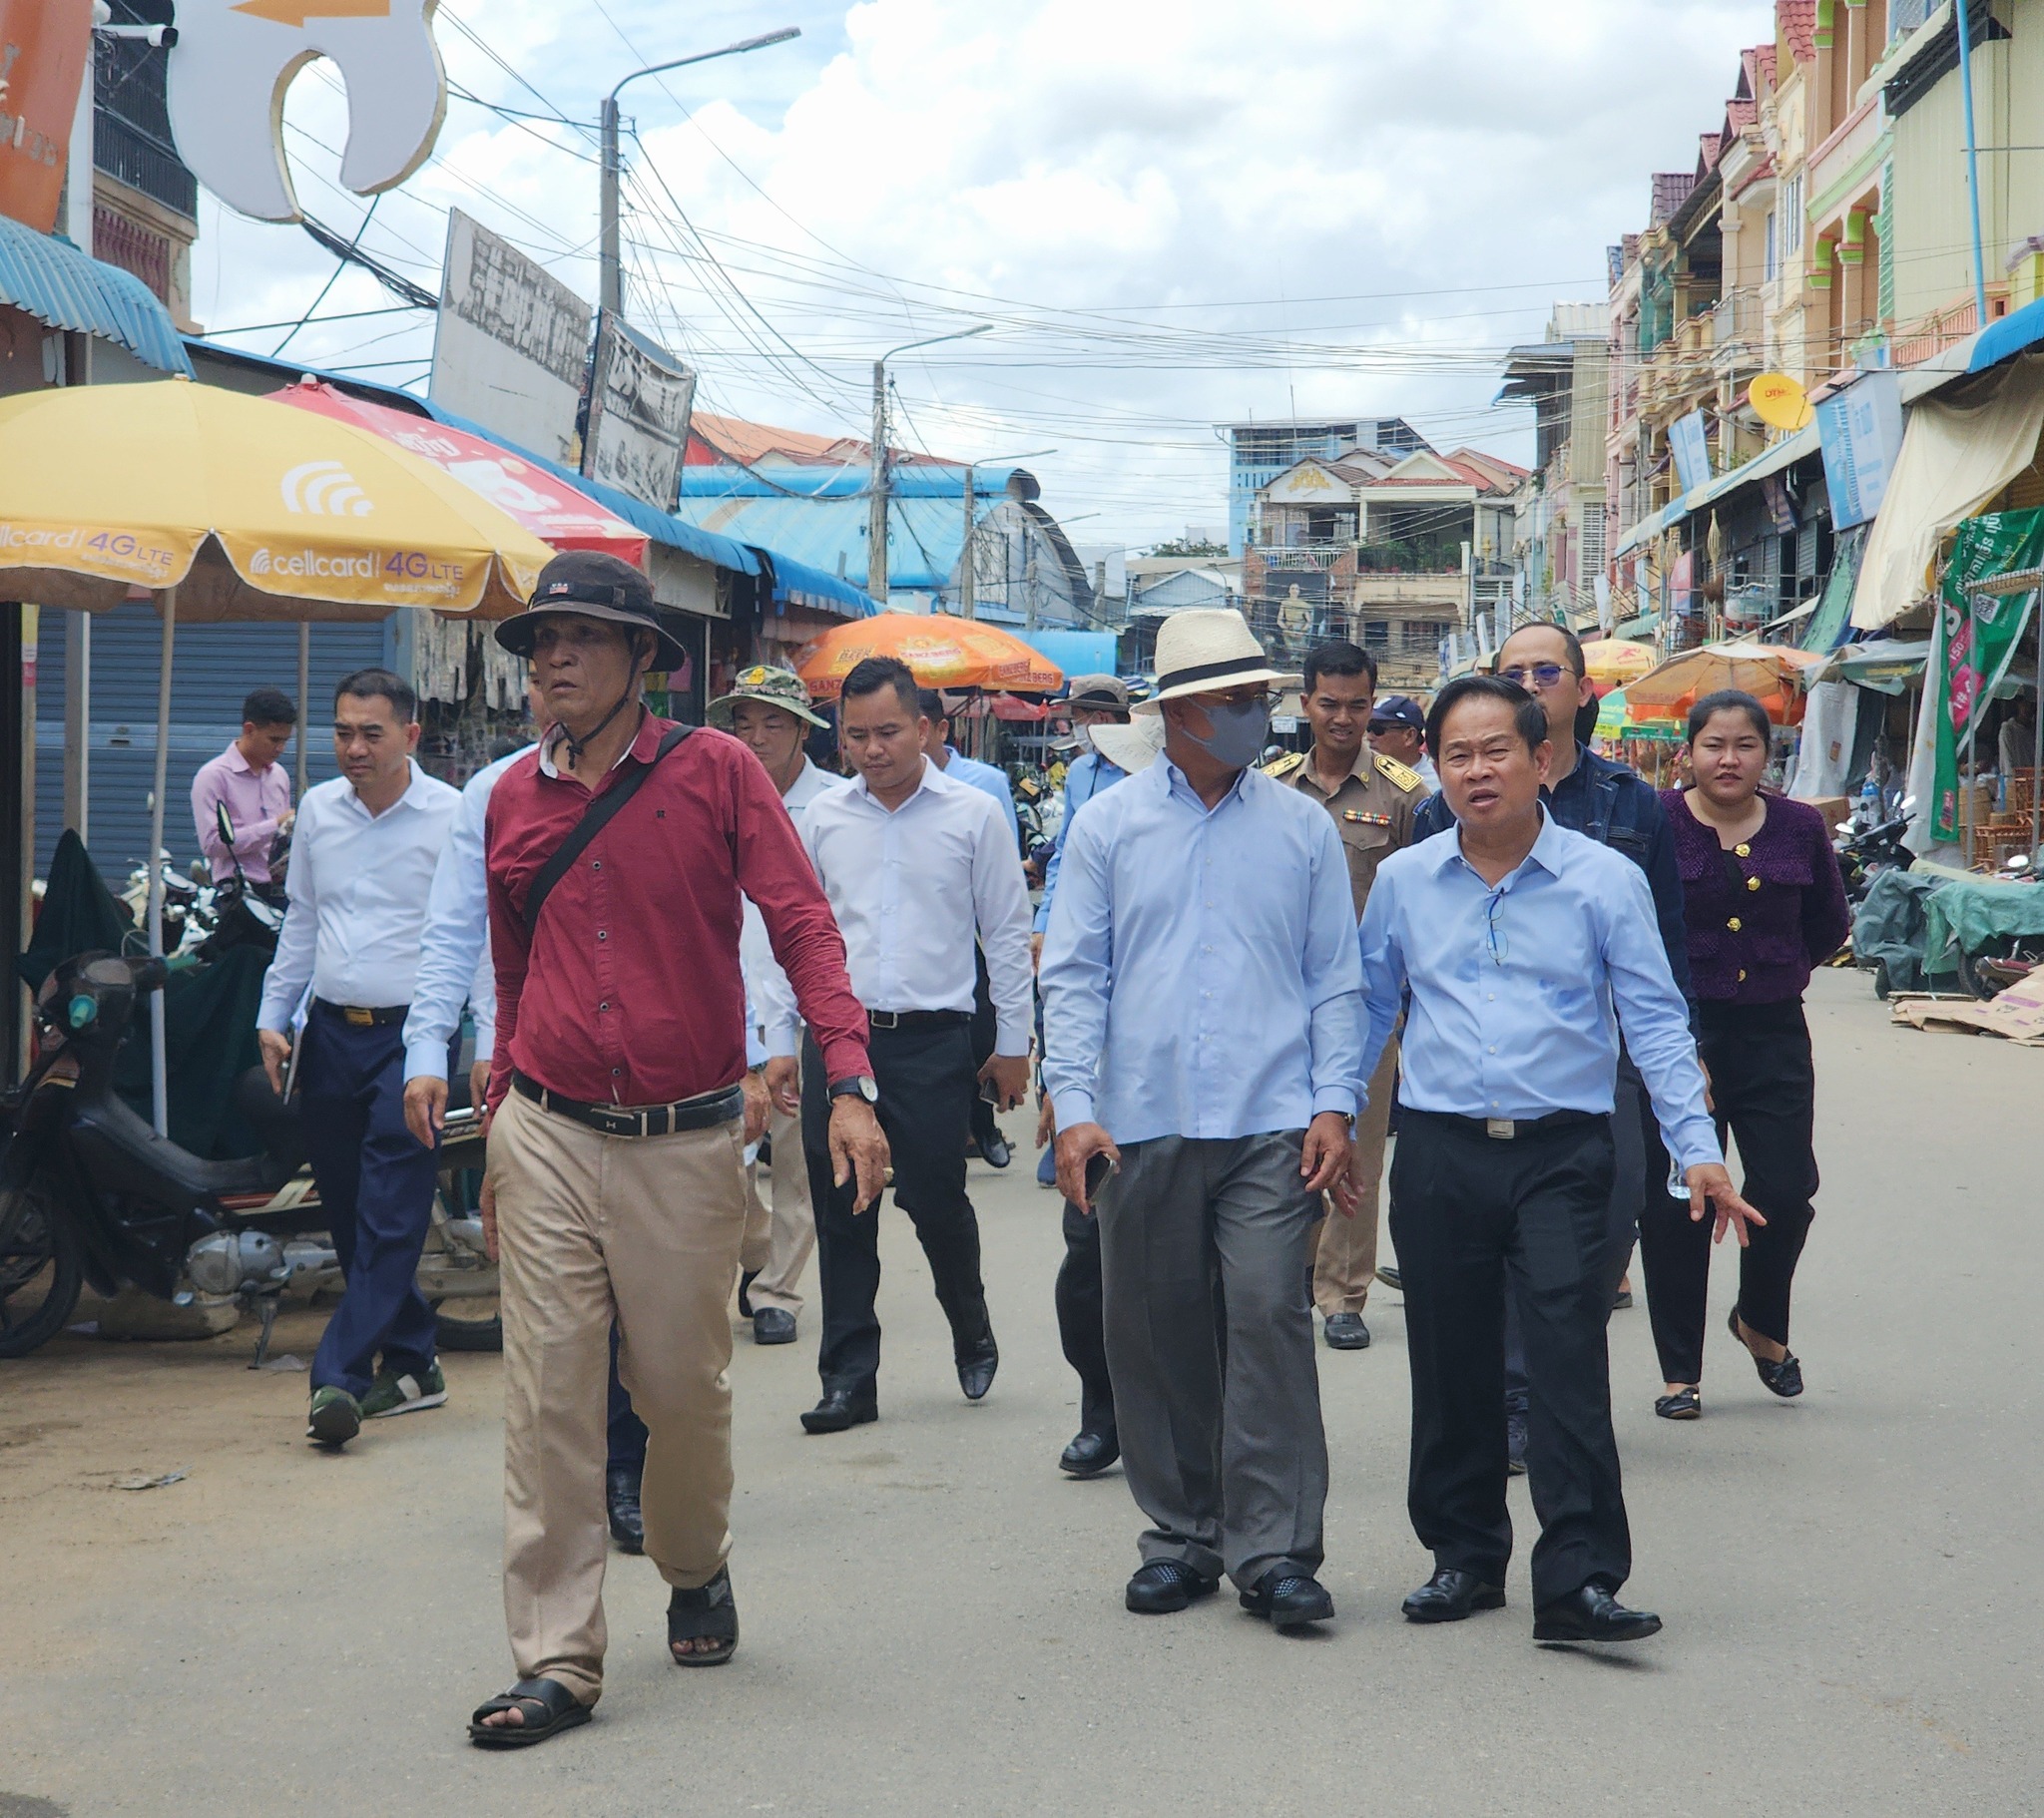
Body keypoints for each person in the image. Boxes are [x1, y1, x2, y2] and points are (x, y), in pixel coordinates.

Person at [466, 552, 885, 1748]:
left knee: (681, 1395)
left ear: (642, 658)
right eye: (541, 640)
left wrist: (847, 1079)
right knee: (548, 1397)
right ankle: (556, 1656)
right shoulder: (508, 800)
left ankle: (694, 1563)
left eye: (582, 637)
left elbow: (801, 924)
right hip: (545, 1126)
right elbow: (511, 969)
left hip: (684, 1136)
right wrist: (499, 1113)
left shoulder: (715, 772)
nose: (554, 657)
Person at [1357, 675, 1761, 1644]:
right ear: (1434, 768)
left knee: (1564, 1359)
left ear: (1540, 759)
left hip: (1564, 1155)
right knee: (1449, 1360)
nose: (1476, 771)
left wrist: (1695, 1150)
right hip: (1441, 1151)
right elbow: (1367, 1008)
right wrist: (1329, 1114)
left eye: (1495, 750)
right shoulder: (1406, 881)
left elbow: (1654, 1021)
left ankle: (1577, 1579)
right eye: (1456, 755)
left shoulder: (1603, 879)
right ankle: (1462, 1558)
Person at [1041, 609, 1361, 1632]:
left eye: (1259, 698)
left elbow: (1334, 979)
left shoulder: (1300, 828)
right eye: (1235, 701)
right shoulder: (1108, 827)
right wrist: (1073, 1109)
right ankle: (1182, 1534)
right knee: (1153, 1324)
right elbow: (1076, 976)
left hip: (1272, 1119)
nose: (1255, 716)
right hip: (1141, 1119)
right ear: (1179, 714)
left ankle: (1274, 1551)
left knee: (1267, 1311)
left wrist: (1335, 1101)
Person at [402, 678, 699, 1559]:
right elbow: (456, 930)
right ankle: (589, 1496)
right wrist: (433, 1052)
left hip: (658, 1093)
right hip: (532, 1081)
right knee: (562, 1320)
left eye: (577, 659)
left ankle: (651, 1480)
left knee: (656, 1328)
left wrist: (758, 1050)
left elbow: (713, 931)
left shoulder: (688, 778)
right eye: (538, 670)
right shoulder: (493, 794)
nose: (551, 687)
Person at [1410, 622, 1694, 1472]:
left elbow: (1660, 959)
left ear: (1578, 690)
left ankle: (1556, 1409)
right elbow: (1383, 989)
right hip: (1458, 1115)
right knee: (1474, 1289)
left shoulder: (1627, 810)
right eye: (1514, 671)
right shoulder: (1427, 840)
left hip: (1592, 1079)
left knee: (1595, 1239)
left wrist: (1689, 1103)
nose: (1478, 771)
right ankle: (1510, 1407)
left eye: (1546, 671)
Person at [795, 658, 1035, 1434]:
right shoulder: (823, 818)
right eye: (856, 735)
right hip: (841, 1040)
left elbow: (1006, 933)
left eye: (889, 732)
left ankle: (970, 1325)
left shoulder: (974, 814)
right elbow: (791, 935)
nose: (872, 749)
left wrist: (1012, 1045)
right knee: (843, 1208)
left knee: (935, 1200)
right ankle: (847, 1380)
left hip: (934, 1043)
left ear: (926, 729)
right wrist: (775, 1039)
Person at [255, 670, 461, 1450]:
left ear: (411, 736)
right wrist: (273, 1016)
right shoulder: (317, 810)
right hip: (330, 1036)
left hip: (414, 1041)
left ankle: (336, 1378)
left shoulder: (451, 816)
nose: (355, 748)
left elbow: (469, 936)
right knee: (345, 1209)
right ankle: (413, 1362)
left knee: (391, 1211)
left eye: (372, 733)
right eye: (343, 732)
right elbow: (302, 919)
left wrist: (486, 1039)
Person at [1640, 690, 1849, 1420]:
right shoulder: (1657, 821)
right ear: (1688, 753)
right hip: (1678, 1033)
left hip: (1772, 1034)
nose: (1728, 759)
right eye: (1714, 745)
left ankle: (1759, 1320)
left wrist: (1771, 970)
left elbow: (1828, 923)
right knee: (1678, 1203)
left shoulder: (1798, 827)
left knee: (1786, 1190)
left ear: (1766, 755)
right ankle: (1679, 1373)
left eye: (1745, 745)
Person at [1264, 640, 1425, 1353]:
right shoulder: (1269, 788)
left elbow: (1422, 900)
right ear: (1305, 704)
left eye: (1357, 705)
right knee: (1281, 1139)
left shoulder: (1405, 795)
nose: (1342, 718)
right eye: (1328, 704)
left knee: (1354, 1142)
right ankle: (1291, 1274)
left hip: (1366, 1004)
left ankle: (1343, 1292)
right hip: (1278, 998)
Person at [1030, 673, 1143, 1477]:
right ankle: (1101, 1408)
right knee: (1086, 1265)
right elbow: (1069, 948)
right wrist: (1062, 1082)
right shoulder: (1089, 793)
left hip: (1208, 1090)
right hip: (1105, 1066)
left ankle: (1181, 1425)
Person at [710, 665, 842, 1345]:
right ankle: (757, 1247)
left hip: (800, 1013)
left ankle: (777, 1291)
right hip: (719, 1011)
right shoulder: (705, 798)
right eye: (743, 724)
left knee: (795, 1162)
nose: (755, 738)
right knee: (722, 1167)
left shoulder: (836, 809)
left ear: (802, 732)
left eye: (772, 724)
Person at [917, 687, 1021, 1168]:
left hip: (974, 931)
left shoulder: (985, 785)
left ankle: (984, 1123)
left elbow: (1005, 866)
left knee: (980, 1032)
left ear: (940, 730)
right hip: (921, 933)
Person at [193, 684, 297, 893]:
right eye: (274, 740)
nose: (280, 748)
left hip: (279, 888)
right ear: (249, 730)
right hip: (236, 891)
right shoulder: (213, 776)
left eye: (285, 741)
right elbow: (212, 844)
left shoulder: (279, 775)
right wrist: (275, 826)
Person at [1368, 693, 1438, 790]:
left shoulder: (1434, 787)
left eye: (1377, 729)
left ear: (1409, 736)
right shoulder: (1364, 775)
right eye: (1368, 728)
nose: (1369, 737)